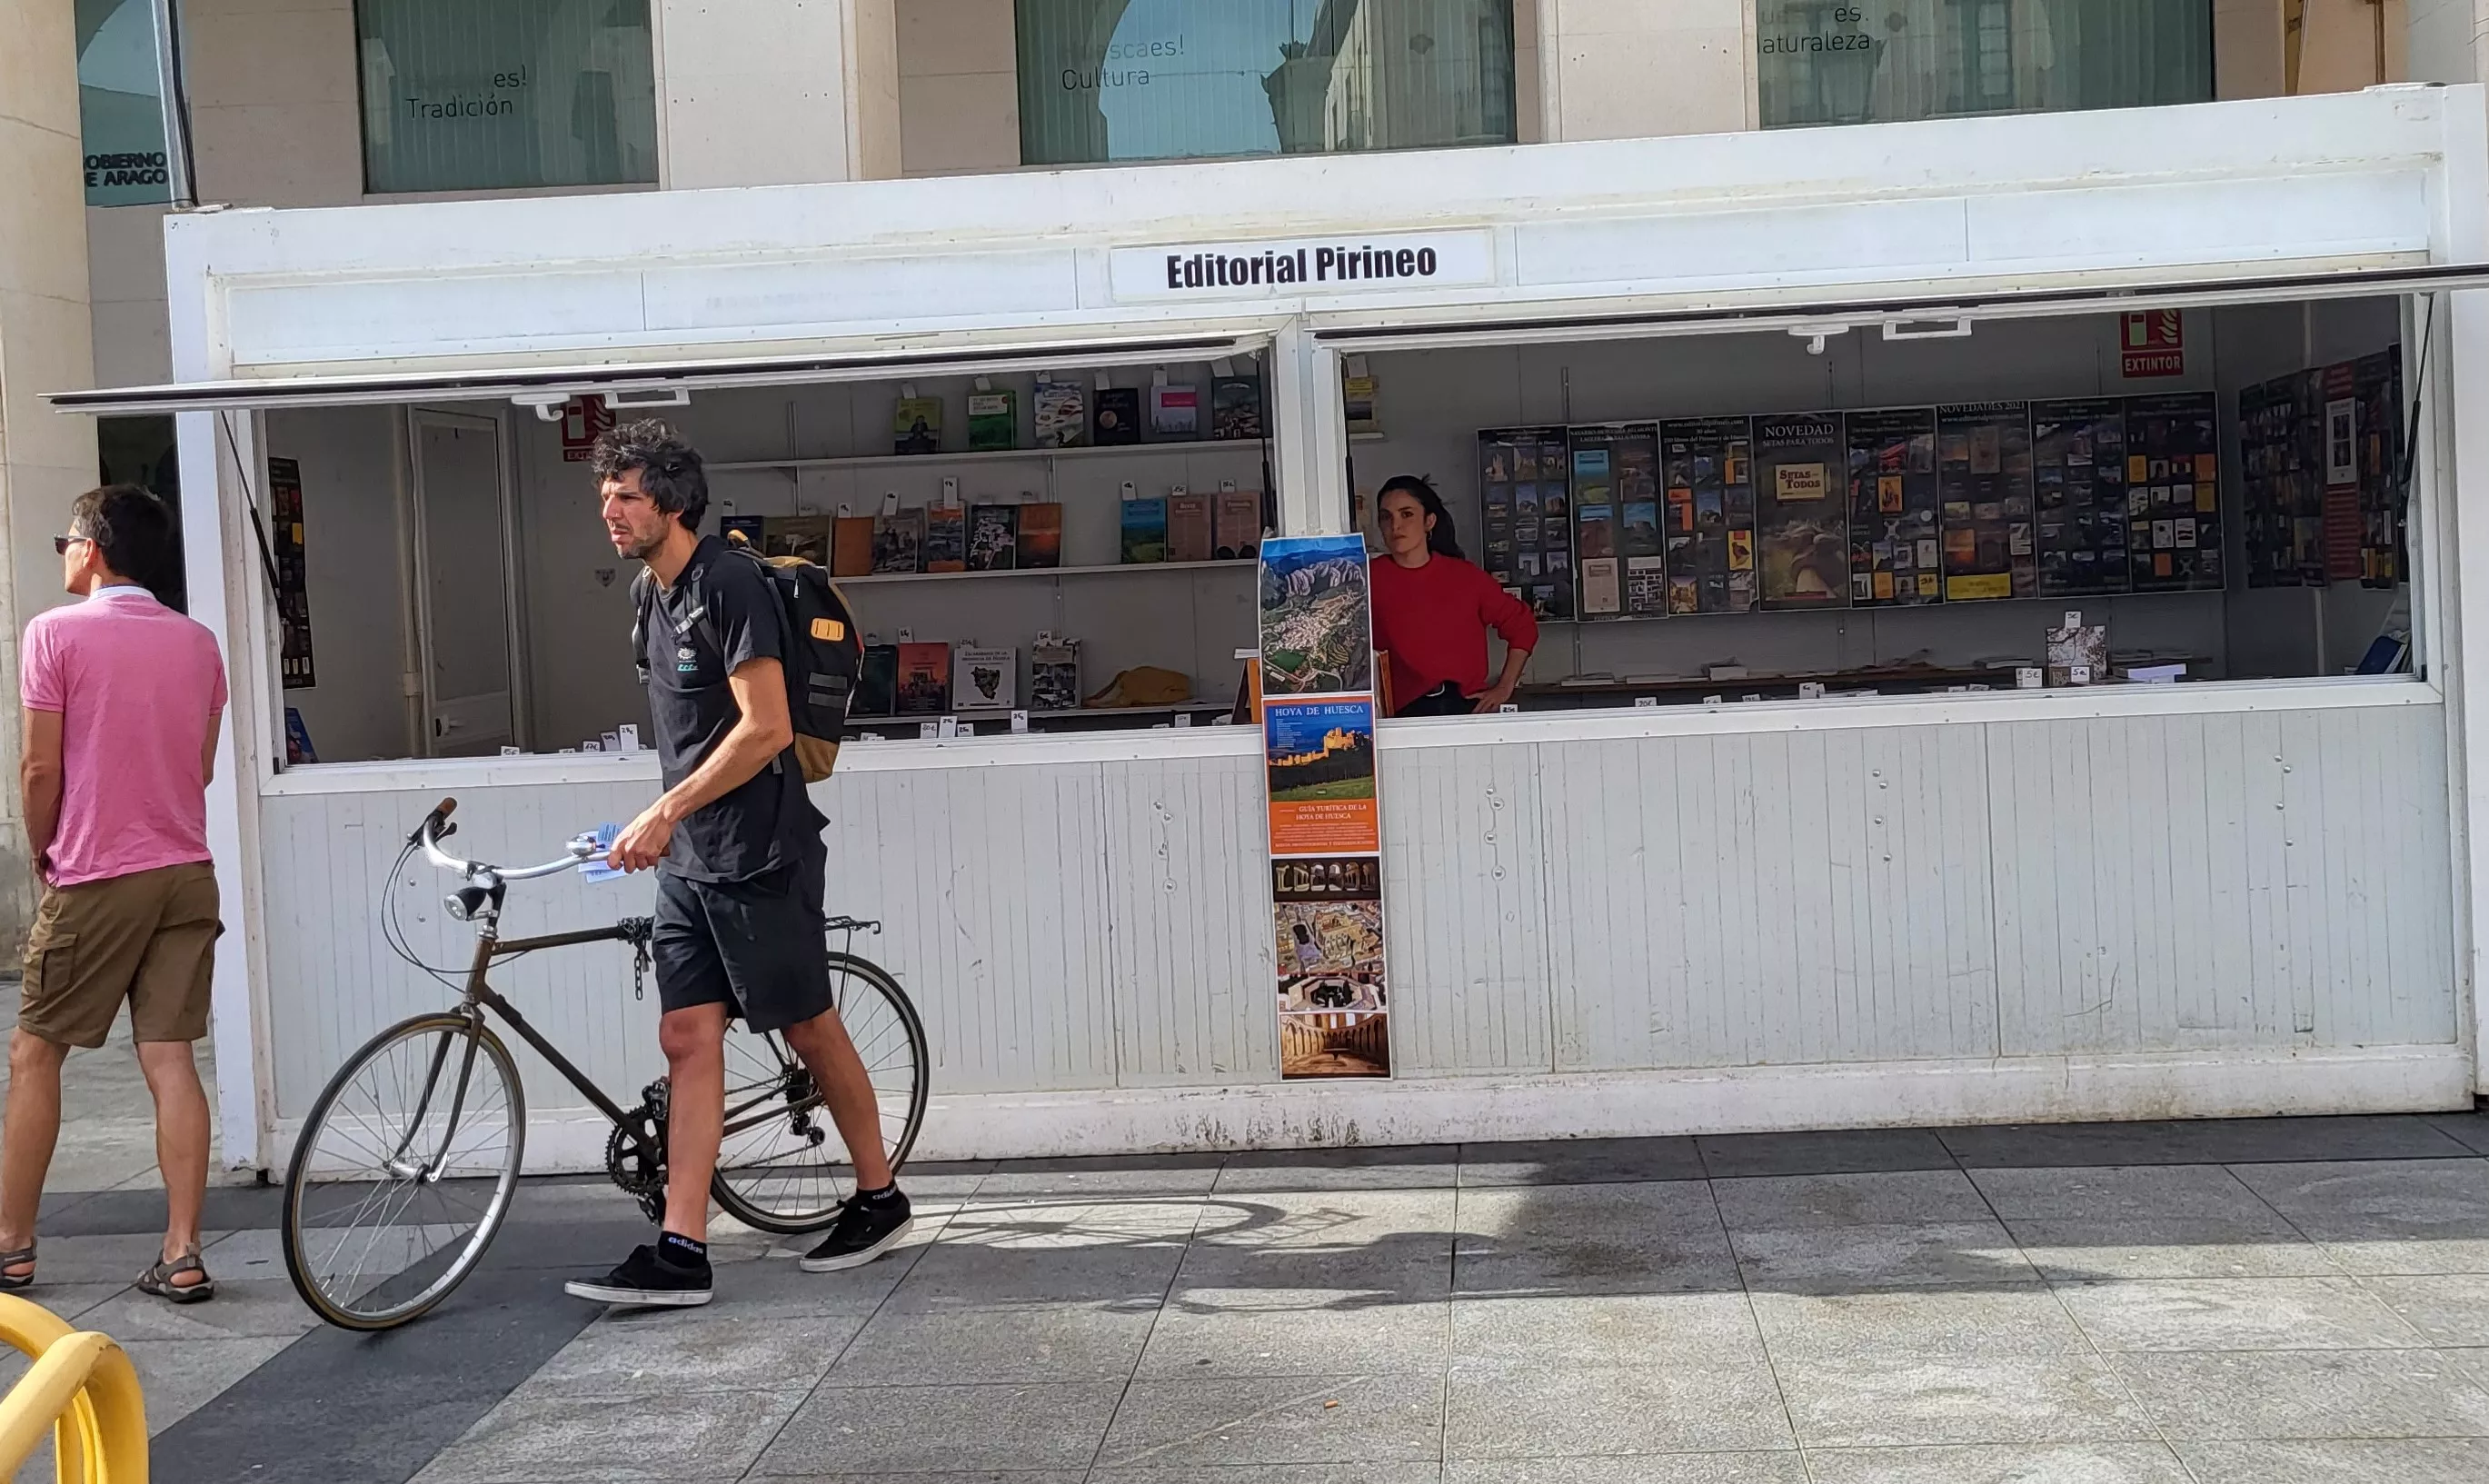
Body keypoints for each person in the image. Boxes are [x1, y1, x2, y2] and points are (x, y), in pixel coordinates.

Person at [567, 421, 911, 1308]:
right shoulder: (650, 595)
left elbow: (766, 729)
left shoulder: (729, 585)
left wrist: (665, 810)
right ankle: (682, 1248)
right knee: (686, 1037)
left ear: (673, 502)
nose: (610, 511)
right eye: (605, 497)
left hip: (761, 854)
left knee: (808, 1028)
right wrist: (664, 827)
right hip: (690, 862)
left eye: (627, 496)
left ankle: (879, 1197)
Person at [2, 485, 225, 1303]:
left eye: (65, 540)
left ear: (91, 549)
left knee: (35, 1050)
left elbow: (40, 767)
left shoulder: (54, 633)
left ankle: (11, 1246)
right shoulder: (198, 642)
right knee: (170, 1056)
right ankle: (183, 1250)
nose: (63, 553)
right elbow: (200, 766)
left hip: (98, 868)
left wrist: (44, 848)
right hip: (185, 869)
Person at [1369, 475, 1538, 716]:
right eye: (1386, 517)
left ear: (1429, 521)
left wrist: (1505, 686)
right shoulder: (1366, 578)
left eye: (1407, 514)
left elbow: (1522, 625)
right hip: (1400, 715)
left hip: (1465, 708)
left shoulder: (1465, 577)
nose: (1396, 525)